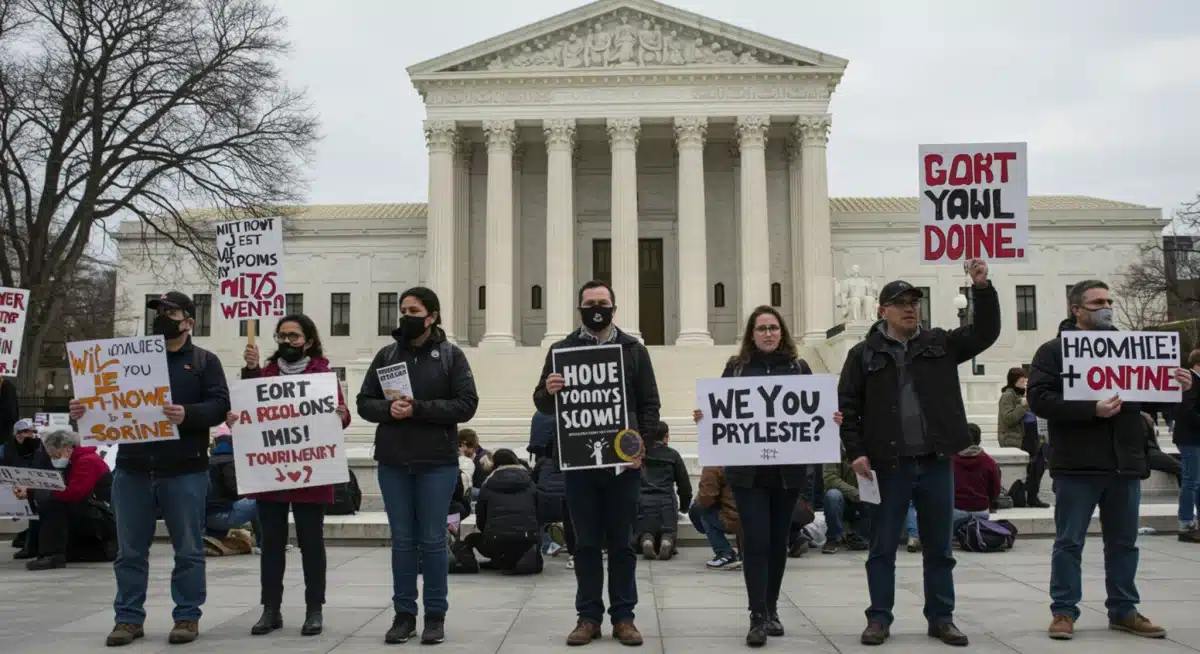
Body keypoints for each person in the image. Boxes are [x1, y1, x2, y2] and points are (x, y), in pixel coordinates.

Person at [838, 259, 998, 647]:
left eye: (915, 302)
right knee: (882, 548)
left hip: (935, 460)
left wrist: (982, 287)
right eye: (901, 302)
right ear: (883, 311)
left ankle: (941, 617)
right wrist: (855, 453)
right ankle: (879, 618)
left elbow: (985, 333)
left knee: (939, 547)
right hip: (887, 466)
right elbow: (848, 407)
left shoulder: (939, 344)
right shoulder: (863, 354)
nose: (911, 308)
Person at [1029, 279, 1190, 641]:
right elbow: (1040, 399)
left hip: (1124, 463)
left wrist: (1177, 388)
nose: (1106, 307)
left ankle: (1124, 609)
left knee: (1124, 543)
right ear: (1076, 310)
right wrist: (1092, 409)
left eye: (1108, 301)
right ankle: (1063, 611)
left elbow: (1152, 401)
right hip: (1077, 465)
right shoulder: (1053, 352)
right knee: (1070, 542)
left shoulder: (1133, 349)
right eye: (1097, 302)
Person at [69, 291, 230, 647]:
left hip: (184, 470)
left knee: (188, 548)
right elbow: (102, 402)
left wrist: (188, 414)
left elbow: (220, 405)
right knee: (129, 552)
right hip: (133, 469)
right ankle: (128, 619)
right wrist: (82, 411)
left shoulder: (204, 361)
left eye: (169, 312)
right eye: (157, 311)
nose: (161, 317)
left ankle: (187, 616)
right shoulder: (127, 358)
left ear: (188, 321)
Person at [692, 305, 843, 646]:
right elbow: (721, 410)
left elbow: (813, 411)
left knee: (777, 543)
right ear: (751, 334)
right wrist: (705, 415)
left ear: (782, 331)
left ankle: (771, 608)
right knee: (756, 541)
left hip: (787, 474)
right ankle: (757, 614)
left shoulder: (799, 367)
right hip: (747, 474)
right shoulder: (736, 368)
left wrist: (830, 419)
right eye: (761, 328)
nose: (768, 333)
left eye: (773, 327)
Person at [533, 279, 660, 647]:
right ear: (580, 308)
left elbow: (650, 404)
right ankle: (588, 617)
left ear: (614, 308)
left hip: (623, 466)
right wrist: (549, 390)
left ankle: (624, 618)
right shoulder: (562, 349)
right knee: (585, 544)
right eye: (589, 303)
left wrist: (642, 447)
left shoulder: (633, 351)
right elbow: (542, 403)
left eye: (602, 302)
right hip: (580, 465)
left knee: (622, 544)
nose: (596, 308)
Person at [357, 286, 479, 645]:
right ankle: (404, 614)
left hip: (436, 463)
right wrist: (387, 410)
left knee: (432, 541)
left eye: (413, 310)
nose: (405, 316)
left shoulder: (450, 357)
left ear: (432, 316)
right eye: (403, 310)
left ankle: (435, 615)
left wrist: (419, 408)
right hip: (394, 461)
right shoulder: (386, 355)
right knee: (402, 541)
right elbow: (365, 402)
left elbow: (466, 404)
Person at [238, 314, 350, 637]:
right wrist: (250, 372)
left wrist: (340, 415)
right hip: (272, 474)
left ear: (309, 341)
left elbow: (341, 417)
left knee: (311, 543)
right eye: (282, 336)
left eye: (294, 337)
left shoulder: (323, 375)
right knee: (270, 543)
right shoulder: (266, 372)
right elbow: (248, 407)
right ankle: (270, 608)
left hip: (311, 473)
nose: (287, 342)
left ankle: (314, 609)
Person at [15, 428, 116, 570]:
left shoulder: (86, 461)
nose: (54, 459)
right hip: (94, 515)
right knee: (48, 499)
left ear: (67, 449)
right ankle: (43, 550)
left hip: (103, 519)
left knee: (54, 504)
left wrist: (39, 492)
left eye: (55, 455)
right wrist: (31, 492)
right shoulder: (75, 461)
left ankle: (52, 554)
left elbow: (74, 494)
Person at [466, 448, 541, 572]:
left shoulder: (488, 484)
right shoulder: (530, 481)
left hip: (495, 541)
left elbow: (481, 519)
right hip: (526, 539)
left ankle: (480, 563)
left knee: (470, 539)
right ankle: (513, 560)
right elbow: (538, 511)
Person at [635, 421, 691, 560]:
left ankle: (646, 540)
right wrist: (684, 507)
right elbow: (684, 485)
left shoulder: (639, 455)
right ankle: (667, 541)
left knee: (645, 530)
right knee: (669, 530)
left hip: (644, 500)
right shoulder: (673, 455)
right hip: (667, 501)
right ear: (665, 436)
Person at [204, 425, 261, 552]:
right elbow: (235, 489)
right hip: (219, 517)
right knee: (260, 500)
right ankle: (263, 543)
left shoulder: (211, 460)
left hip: (206, 517)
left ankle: (215, 536)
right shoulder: (229, 461)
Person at [997, 367, 1048, 508]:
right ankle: (1019, 498)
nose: (1025, 381)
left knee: (1038, 467)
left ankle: (1033, 497)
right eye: (1022, 379)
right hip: (1015, 440)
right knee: (1022, 471)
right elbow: (1008, 418)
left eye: (1026, 379)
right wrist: (1023, 406)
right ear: (1014, 380)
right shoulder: (1008, 396)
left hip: (1032, 437)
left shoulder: (1025, 395)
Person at [5, 418, 50, 559]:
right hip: (15, 486)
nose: (30, 435)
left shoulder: (40, 448)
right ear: (18, 434)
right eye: (26, 432)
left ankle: (34, 546)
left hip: (34, 486)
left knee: (38, 516)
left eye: (32, 431)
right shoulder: (7, 449)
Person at [690, 466, 742, 570]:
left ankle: (725, 553)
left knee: (702, 512)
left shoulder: (713, 465)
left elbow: (706, 498)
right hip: (756, 515)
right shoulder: (745, 458)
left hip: (734, 518)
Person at [1173, 349, 1200, 543]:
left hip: (1193, 437)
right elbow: (1187, 410)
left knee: (1195, 481)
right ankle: (1186, 522)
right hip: (1190, 437)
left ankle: (1190, 522)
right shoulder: (1190, 380)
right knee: (1191, 481)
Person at [822, 450, 870, 554]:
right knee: (832, 495)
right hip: (844, 497)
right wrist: (856, 494)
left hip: (864, 497)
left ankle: (860, 536)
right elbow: (830, 479)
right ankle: (833, 538)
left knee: (875, 497)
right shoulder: (833, 447)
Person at [951, 424, 1002, 522]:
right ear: (979, 440)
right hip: (981, 510)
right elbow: (995, 489)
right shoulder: (988, 461)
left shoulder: (951, 461)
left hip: (957, 509)